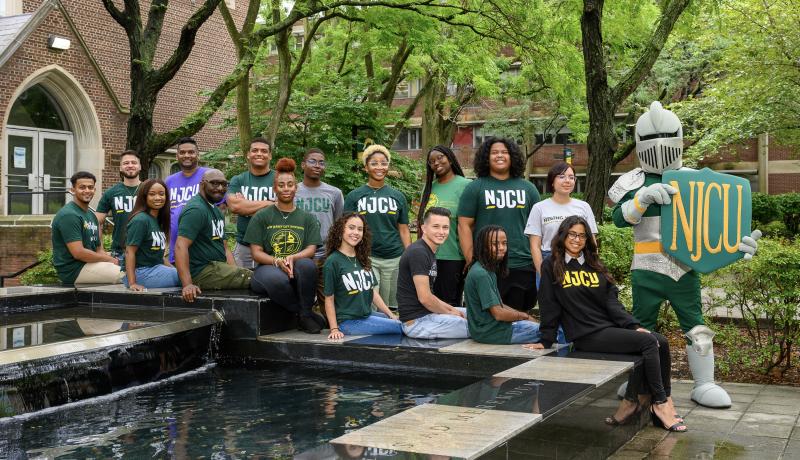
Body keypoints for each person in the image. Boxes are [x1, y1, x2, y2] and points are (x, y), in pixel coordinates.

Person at [608, 101, 759, 408]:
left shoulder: (697, 180)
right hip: (646, 268)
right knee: (641, 329)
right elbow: (618, 218)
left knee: (696, 327)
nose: (658, 144)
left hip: (684, 266)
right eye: (651, 137)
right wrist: (641, 199)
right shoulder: (632, 181)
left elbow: (717, 222)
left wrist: (735, 246)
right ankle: (640, 382)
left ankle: (704, 383)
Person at [535, 216, 686, 432]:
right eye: (572, 234)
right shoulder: (551, 265)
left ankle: (639, 401)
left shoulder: (594, 264)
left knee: (659, 340)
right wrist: (545, 339)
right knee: (648, 343)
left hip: (607, 327)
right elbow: (548, 304)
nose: (577, 240)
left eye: (582, 235)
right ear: (563, 236)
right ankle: (659, 404)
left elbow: (611, 302)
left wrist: (632, 326)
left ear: (587, 239)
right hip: (586, 335)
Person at [458, 137, 541, 311]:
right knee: (490, 316)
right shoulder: (475, 188)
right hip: (488, 265)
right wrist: (471, 258)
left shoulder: (528, 188)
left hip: (522, 263)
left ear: (512, 157)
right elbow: (464, 225)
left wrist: (537, 260)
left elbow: (538, 228)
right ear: (486, 158)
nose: (499, 156)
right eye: (494, 152)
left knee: (519, 316)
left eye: (504, 152)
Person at [245, 158, 325, 334]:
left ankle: (304, 315)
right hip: (267, 267)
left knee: (308, 265)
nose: (286, 189)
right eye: (281, 185)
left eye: (290, 184)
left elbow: (311, 250)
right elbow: (256, 253)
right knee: (277, 280)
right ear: (275, 189)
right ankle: (303, 314)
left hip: (296, 265)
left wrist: (293, 257)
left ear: (296, 188)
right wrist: (277, 261)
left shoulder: (307, 218)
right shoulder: (262, 216)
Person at [344, 145, 411, 309]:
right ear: (366, 167)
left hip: (395, 258)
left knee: (393, 306)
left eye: (383, 163)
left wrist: (409, 256)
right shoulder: (355, 196)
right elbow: (346, 229)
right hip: (367, 257)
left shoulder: (398, 196)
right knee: (372, 305)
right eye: (374, 163)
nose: (379, 167)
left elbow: (403, 229)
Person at [175, 169, 252, 302]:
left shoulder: (215, 210)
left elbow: (225, 247)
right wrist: (187, 284)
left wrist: (234, 271)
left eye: (224, 184)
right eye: (214, 183)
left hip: (217, 268)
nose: (220, 188)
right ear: (202, 184)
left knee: (254, 274)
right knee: (257, 279)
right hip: (202, 272)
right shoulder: (196, 209)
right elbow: (180, 246)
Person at [464, 225, 547, 345]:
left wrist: (525, 317)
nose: (502, 248)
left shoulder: (486, 269)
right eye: (495, 244)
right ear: (483, 247)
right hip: (493, 333)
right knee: (554, 332)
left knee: (544, 327)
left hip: (494, 330)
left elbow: (500, 305)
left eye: (504, 243)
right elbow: (498, 313)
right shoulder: (481, 274)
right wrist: (523, 316)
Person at [324, 213, 402, 340]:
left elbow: (372, 292)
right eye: (351, 227)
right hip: (348, 322)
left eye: (360, 229)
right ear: (340, 229)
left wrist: (390, 314)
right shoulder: (333, 262)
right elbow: (329, 299)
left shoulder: (363, 259)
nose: (356, 232)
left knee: (404, 320)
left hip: (367, 315)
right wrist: (334, 329)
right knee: (400, 327)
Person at [397, 207, 469, 339]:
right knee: (482, 326)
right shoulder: (418, 252)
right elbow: (425, 298)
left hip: (429, 316)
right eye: (436, 226)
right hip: (417, 323)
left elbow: (431, 297)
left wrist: (452, 310)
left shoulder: (428, 251)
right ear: (424, 228)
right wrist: (452, 312)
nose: (441, 232)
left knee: (476, 314)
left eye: (445, 227)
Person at [525, 161, 598, 287]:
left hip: (579, 261)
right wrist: (542, 272)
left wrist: (594, 267)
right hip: (549, 260)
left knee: (578, 303)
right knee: (550, 303)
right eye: (562, 176)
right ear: (552, 181)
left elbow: (592, 242)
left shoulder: (584, 207)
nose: (567, 180)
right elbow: (535, 246)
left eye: (571, 177)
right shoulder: (539, 208)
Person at [417, 145, 470, 308]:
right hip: (429, 256)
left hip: (453, 257)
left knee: (449, 305)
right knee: (429, 303)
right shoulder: (429, 187)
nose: (436, 163)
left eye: (440, 157)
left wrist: (470, 256)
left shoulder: (466, 185)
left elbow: (470, 224)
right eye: (432, 161)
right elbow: (422, 223)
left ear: (450, 158)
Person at [295, 148, 344, 310]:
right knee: (300, 300)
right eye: (312, 161)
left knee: (328, 302)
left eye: (321, 163)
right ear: (303, 165)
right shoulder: (292, 191)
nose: (317, 165)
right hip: (299, 255)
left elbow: (339, 225)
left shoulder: (335, 193)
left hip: (325, 255)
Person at [51, 171, 121, 285]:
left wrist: (115, 260)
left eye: (90, 187)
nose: (87, 191)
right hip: (74, 270)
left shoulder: (91, 215)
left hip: (90, 264)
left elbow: (99, 249)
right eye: (82, 187)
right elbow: (78, 253)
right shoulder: (69, 215)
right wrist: (110, 260)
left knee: (134, 268)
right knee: (126, 277)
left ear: (94, 190)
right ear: (72, 190)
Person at [227, 137, 277, 269]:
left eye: (264, 151)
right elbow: (234, 206)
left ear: (270, 155)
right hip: (244, 245)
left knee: (272, 283)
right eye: (255, 150)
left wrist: (246, 205)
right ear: (248, 155)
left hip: (273, 246)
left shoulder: (279, 179)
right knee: (240, 285)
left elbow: (283, 208)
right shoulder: (238, 180)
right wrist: (270, 203)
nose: (259, 153)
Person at [122, 179, 180, 290]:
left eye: (161, 194)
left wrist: (176, 270)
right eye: (152, 194)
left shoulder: (157, 220)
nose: (158, 198)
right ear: (144, 197)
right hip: (141, 273)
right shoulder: (140, 220)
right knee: (190, 276)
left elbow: (158, 257)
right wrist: (132, 283)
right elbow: (129, 252)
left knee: (185, 273)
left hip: (156, 269)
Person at [166, 137, 207, 264]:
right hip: (175, 252)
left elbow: (220, 209)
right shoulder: (169, 181)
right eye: (182, 152)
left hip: (203, 252)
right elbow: (165, 214)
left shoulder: (209, 176)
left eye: (191, 152)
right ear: (177, 156)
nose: (186, 155)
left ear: (198, 155)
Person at [95, 150, 141, 261]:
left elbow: (163, 220)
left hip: (147, 251)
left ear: (140, 166)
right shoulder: (111, 193)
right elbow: (95, 222)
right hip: (120, 253)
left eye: (134, 163)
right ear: (120, 168)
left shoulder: (150, 190)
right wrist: (100, 249)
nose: (130, 165)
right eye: (126, 163)